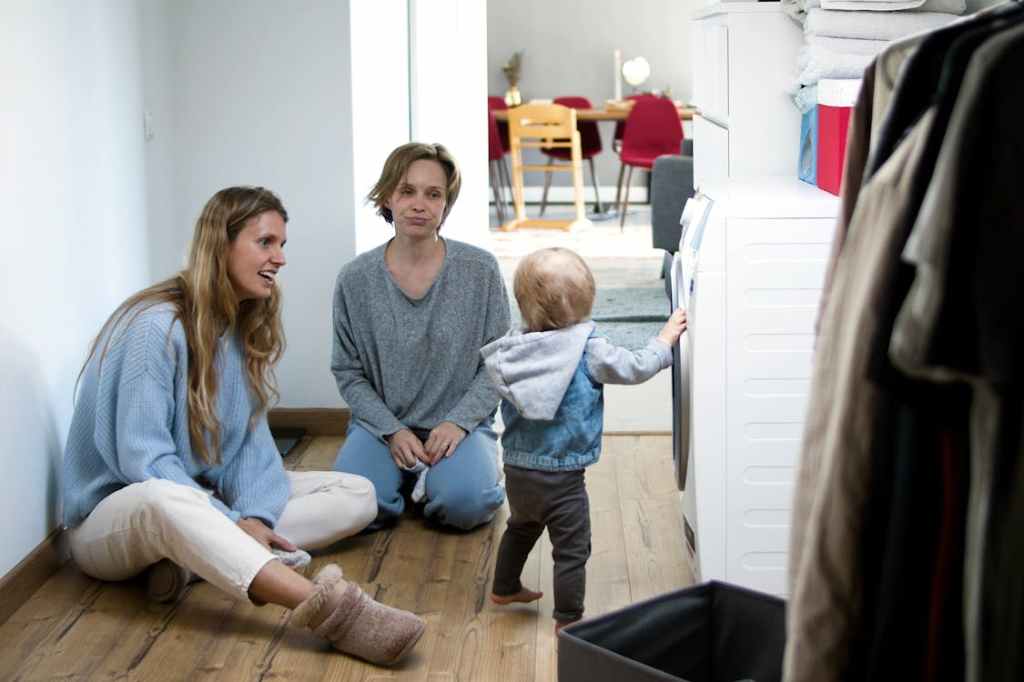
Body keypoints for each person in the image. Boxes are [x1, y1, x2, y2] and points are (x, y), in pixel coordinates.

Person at [62, 186, 424, 666]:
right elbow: (142, 461)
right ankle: (329, 609)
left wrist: (254, 516)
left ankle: (193, 561)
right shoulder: (155, 326)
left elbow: (250, 450)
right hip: (116, 518)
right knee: (163, 497)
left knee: (357, 493)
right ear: (221, 245)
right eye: (266, 242)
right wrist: (232, 521)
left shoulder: (237, 326)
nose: (281, 258)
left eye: (282, 245)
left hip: (200, 502)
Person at [481, 247, 687, 629]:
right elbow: (635, 367)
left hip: (518, 469)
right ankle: (568, 618)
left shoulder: (514, 347)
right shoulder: (589, 348)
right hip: (563, 477)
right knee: (572, 549)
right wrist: (663, 341)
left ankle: (504, 587)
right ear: (586, 301)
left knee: (521, 526)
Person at [331, 143, 510, 531]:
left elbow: (498, 363)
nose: (419, 205)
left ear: (446, 204)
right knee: (352, 508)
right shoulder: (355, 279)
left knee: (465, 505)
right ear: (387, 197)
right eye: (407, 191)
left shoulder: (480, 270)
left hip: (457, 428)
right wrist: (392, 430)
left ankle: (449, 480)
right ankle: (409, 482)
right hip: (381, 428)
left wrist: (459, 423)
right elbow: (348, 372)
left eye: (433, 194)